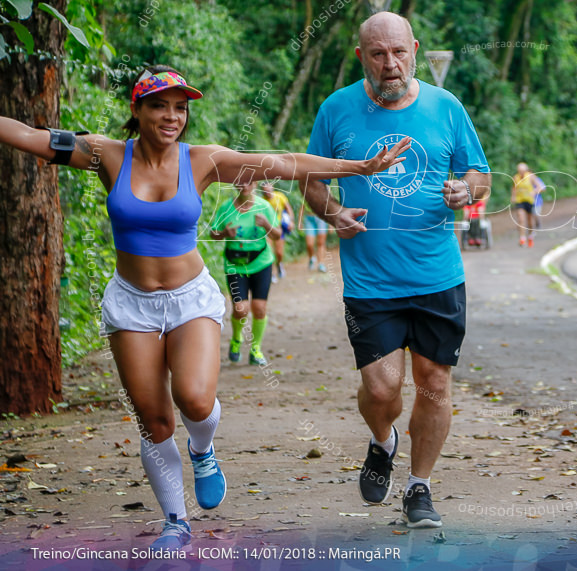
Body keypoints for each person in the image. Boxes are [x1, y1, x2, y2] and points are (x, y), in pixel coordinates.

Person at [0, 65, 410, 552]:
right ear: (137, 109)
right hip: (132, 304)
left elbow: (283, 162)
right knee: (153, 420)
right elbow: (29, 135)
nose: (172, 116)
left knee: (194, 400)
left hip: (189, 296)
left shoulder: (204, 161)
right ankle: (176, 521)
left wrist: (357, 169)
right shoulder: (106, 154)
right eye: (159, 105)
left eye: (181, 107)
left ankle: (202, 448)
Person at [301, 12, 490, 529]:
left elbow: (480, 173)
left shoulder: (445, 107)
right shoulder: (336, 109)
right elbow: (312, 180)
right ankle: (383, 441)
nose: (390, 64)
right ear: (361, 55)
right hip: (370, 280)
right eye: (378, 54)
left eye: (399, 52)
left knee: (435, 384)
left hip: (437, 277)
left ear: (415, 50)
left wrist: (465, 191)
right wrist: (332, 213)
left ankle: (419, 487)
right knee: (382, 390)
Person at [210, 180, 280, 365]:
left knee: (259, 308)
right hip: (235, 264)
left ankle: (256, 349)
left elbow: (278, 234)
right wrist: (224, 233)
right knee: (241, 310)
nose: (244, 186)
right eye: (240, 183)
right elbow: (213, 233)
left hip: (260, 262)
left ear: (255, 184)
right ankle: (236, 338)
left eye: (248, 182)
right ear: (235, 185)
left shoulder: (264, 207)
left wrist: (266, 224)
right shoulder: (226, 207)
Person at [260, 181, 294, 282]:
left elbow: (289, 210)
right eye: (265, 191)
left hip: (279, 228)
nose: (268, 193)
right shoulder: (262, 201)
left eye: (269, 190)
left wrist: (291, 222)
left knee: (279, 253)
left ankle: (279, 265)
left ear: (272, 188)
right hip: (267, 229)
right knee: (269, 251)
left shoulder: (280, 197)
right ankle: (272, 273)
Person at [512, 162, 544, 247]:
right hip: (520, 201)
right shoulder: (516, 177)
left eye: (522, 171)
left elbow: (540, 187)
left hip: (529, 201)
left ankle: (530, 236)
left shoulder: (530, 176)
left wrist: (534, 192)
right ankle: (522, 238)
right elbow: (514, 188)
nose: (521, 172)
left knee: (530, 221)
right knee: (521, 219)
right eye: (519, 171)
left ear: (525, 170)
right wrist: (513, 196)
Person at [301, 203, 330, 272]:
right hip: (309, 219)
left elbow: (328, 207)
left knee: (321, 243)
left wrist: (330, 223)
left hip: (322, 219)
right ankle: (311, 258)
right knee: (309, 244)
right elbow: (302, 207)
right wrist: (300, 222)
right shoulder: (307, 193)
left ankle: (321, 264)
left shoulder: (325, 192)